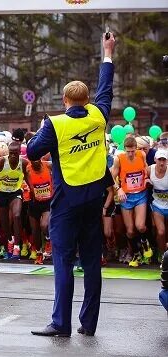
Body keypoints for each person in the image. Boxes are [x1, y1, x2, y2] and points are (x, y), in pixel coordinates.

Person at [28, 33, 115, 337]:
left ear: (65, 101)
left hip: (66, 200)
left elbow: (32, 152)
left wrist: (40, 130)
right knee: (92, 263)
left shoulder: (56, 123)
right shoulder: (98, 116)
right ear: (87, 100)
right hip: (93, 198)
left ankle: (60, 323)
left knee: (63, 261)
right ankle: (88, 324)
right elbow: (106, 88)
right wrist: (107, 53)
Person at [111, 136, 153, 267]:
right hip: (126, 197)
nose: (130, 154)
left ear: (136, 149)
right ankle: (136, 254)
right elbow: (112, 177)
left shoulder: (141, 155)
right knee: (130, 231)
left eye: (132, 151)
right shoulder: (119, 159)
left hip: (140, 194)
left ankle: (145, 243)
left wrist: (146, 178)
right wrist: (118, 189)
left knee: (140, 226)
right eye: (128, 151)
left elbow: (145, 169)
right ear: (124, 149)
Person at [0, 142, 29, 259]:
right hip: (1, 193)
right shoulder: (2, 161)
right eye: (11, 153)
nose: (13, 156)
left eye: (15, 153)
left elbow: (28, 176)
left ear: (20, 153)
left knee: (17, 215)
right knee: (4, 224)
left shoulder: (23, 163)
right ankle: (9, 241)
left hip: (15, 192)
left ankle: (17, 247)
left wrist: (32, 189)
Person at [25, 159, 53, 264]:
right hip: (34, 202)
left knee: (44, 225)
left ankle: (48, 239)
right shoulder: (27, 169)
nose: (35, 162)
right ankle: (39, 253)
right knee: (35, 230)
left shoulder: (49, 166)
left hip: (48, 202)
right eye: (33, 160)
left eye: (37, 159)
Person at [147, 149, 168, 264]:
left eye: (164, 160)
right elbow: (143, 175)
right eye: (159, 159)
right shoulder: (150, 169)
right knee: (161, 232)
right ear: (155, 159)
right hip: (157, 205)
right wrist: (146, 180)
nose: (161, 163)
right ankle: (162, 254)